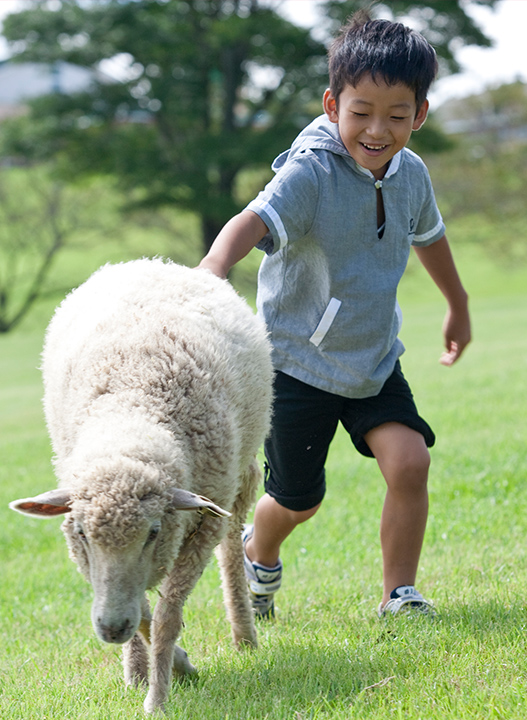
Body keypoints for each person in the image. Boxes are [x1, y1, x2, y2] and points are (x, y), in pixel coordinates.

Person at [197, 10, 471, 619]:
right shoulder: (311, 172)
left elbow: (429, 237)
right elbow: (253, 221)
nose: (378, 129)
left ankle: (398, 595)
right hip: (296, 364)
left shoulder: (412, 175)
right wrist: (214, 266)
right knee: (297, 501)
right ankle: (258, 549)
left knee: (410, 462)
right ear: (331, 105)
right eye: (361, 113)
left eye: (398, 115)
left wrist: (459, 303)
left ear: (419, 115)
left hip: (372, 358)